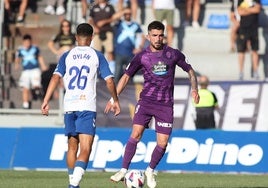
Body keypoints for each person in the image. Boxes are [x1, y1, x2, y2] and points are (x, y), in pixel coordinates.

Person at [109, 20, 200, 188]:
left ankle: (150, 170)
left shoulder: (173, 54)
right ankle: (123, 170)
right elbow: (126, 76)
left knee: (163, 143)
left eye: (160, 35)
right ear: (148, 36)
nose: (158, 39)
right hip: (146, 102)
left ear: (163, 36)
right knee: (136, 134)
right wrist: (114, 98)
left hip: (165, 105)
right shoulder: (141, 56)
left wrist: (194, 88)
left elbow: (190, 70)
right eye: (154, 35)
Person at [41, 23, 120, 188]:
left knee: (72, 145)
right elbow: (109, 80)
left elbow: (55, 78)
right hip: (86, 106)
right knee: (86, 147)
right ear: (92, 38)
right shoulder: (96, 55)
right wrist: (115, 100)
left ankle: (71, 180)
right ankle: (74, 185)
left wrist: (46, 100)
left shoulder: (66, 55)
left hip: (69, 104)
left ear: (76, 37)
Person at [14, 34, 47, 109]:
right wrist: (16, 64)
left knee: (36, 85)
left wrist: (43, 65)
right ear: (23, 42)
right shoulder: (20, 50)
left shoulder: (35, 48)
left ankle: (38, 93)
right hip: (26, 71)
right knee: (25, 87)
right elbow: (17, 58)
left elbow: (39, 57)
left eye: (28, 42)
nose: (27, 44)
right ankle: (25, 105)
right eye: (25, 42)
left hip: (35, 69)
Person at [113, 7, 145, 83]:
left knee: (130, 76)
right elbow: (113, 18)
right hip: (119, 53)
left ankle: (129, 93)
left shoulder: (135, 25)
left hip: (130, 53)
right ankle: (114, 93)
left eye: (129, 13)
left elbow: (142, 36)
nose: (127, 15)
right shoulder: (119, 23)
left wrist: (139, 48)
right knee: (117, 75)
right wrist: (123, 11)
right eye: (126, 14)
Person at [88, 0, 116, 74]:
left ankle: (110, 72)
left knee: (110, 51)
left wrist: (105, 21)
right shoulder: (94, 6)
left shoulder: (110, 7)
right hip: (97, 33)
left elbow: (113, 18)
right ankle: (96, 72)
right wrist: (95, 27)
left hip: (107, 31)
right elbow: (90, 19)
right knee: (97, 52)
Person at [236, 0, 261, 80]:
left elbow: (257, 9)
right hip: (243, 28)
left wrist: (246, 9)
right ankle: (241, 72)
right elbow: (239, 12)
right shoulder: (241, 0)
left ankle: (255, 71)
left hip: (253, 28)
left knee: (255, 50)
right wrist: (251, 10)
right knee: (241, 51)